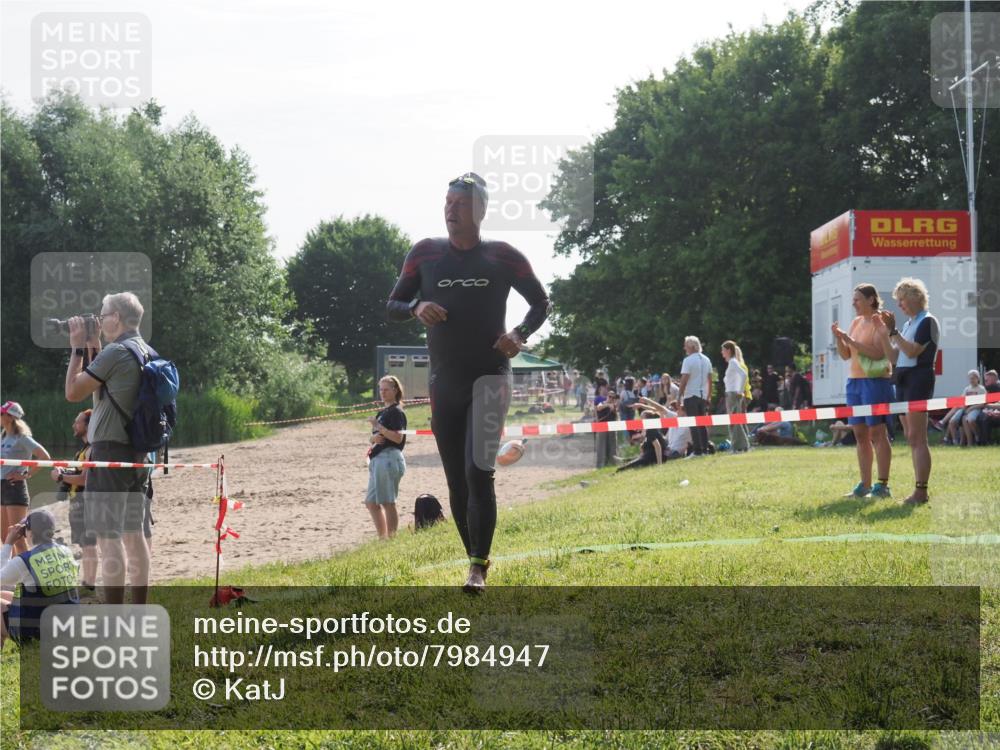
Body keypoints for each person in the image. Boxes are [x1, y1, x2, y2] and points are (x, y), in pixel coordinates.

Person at [386, 173, 550, 592]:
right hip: (445, 381)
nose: (449, 210)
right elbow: (393, 303)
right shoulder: (424, 255)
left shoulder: (502, 256)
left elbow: (540, 301)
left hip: (491, 375)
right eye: (446, 203)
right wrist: (416, 306)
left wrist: (519, 335)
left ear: (479, 210)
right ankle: (472, 557)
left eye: (458, 204)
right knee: (456, 481)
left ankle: (478, 568)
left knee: (479, 471)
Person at [64, 291, 153, 605]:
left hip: (110, 452)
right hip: (139, 454)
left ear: (116, 318)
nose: (101, 319)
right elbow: (104, 384)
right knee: (134, 534)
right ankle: (138, 610)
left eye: (104, 315)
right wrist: (93, 343)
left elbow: (74, 392)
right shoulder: (143, 351)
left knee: (108, 535)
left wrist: (76, 347)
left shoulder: (117, 352)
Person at [874, 277, 939, 504]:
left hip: (918, 380)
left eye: (902, 300)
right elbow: (894, 357)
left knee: (918, 438)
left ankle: (921, 491)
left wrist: (893, 333)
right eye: (898, 301)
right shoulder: (908, 324)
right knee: (911, 437)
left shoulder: (928, 322)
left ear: (915, 297)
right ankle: (918, 490)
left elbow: (912, 352)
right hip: (901, 380)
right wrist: (884, 334)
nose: (899, 305)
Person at [831, 283, 894, 499]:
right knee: (860, 434)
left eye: (857, 299)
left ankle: (882, 485)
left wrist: (849, 340)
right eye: (853, 299)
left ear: (871, 300)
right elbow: (846, 355)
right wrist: (840, 339)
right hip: (854, 382)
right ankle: (864, 485)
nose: (853, 303)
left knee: (877, 433)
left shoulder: (880, 321)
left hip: (875, 382)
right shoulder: (856, 322)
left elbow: (877, 353)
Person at [1, 509, 78, 646]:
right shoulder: (66, 551)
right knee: (4, 595)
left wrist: (8, 543)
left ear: (29, 533)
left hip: (38, 631)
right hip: (68, 623)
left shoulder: (24, 560)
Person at [51, 409, 98, 588]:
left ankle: (89, 583)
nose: (74, 425)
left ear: (88, 426)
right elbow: (81, 474)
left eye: (77, 422)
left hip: (86, 501)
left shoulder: (91, 449)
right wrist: (66, 470)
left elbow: (85, 479)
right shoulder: (85, 449)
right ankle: (88, 582)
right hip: (77, 501)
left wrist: (61, 477)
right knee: (85, 544)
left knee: (89, 543)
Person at [1, 401, 51, 556]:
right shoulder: (3, 436)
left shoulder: (22, 438)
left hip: (15, 488)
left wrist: (25, 474)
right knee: (5, 537)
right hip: (2, 486)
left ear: (10, 417)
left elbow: (45, 457)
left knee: (17, 539)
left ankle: (28, 576)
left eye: (1, 413)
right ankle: (15, 574)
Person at [365, 376, 408, 540]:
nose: (382, 393)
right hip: (379, 458)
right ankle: (383, 538)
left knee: (387, 501)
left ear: (395, 390)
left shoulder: (397, 412)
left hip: (389, 458)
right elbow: (375, 437)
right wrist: (373, 438)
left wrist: (378, 427)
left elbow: (398, 438)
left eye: (386, 389)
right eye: (380, 389)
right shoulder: (383, 412)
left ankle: (392, 538)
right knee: (371, 502)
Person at [677, 336, 713, 457]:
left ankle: (697, 451)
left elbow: (684, 380)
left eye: (686, 345)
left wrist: (679, 396)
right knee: (702, 424)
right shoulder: (707, 359)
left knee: (693, 424)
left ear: (691, 346)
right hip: (702, 396)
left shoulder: (688, 360)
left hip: (691, 395)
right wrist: (708, 396)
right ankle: (705, 449)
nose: (684, 348)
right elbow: (710, 380)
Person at [721, 341, 751, 453]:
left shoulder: (733, 362)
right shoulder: (732, 362)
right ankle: (741, 445)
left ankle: (737, 446)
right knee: (734, 421)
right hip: (731, 394)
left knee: (734, 422)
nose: (722, 353)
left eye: (723, 350)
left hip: (733, 394)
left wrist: (739, 391)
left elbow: (743, 374)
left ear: (728, 350)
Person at [594, 389, 620, 469]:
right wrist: (608, 405)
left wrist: (614, 408)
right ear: (607, 396)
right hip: (602, 427)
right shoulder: (602, 403)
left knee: (613, 446)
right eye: (610, 396)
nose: (611, 398)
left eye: (613, 397)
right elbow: (598, 408)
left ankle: (613, 463)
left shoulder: (614, 405)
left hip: (612, 427)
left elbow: (617, 417)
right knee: (601, 446)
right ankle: (600, 465)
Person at [976, 370, 999, 445]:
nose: (985, 382)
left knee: (986, 418)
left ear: (994, 379)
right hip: (988, 410)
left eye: (987, 380)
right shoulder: (986, 389)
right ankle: (978, 441)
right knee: (978, 417)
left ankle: (986, 442)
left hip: (997, 412)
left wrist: (989, 406)